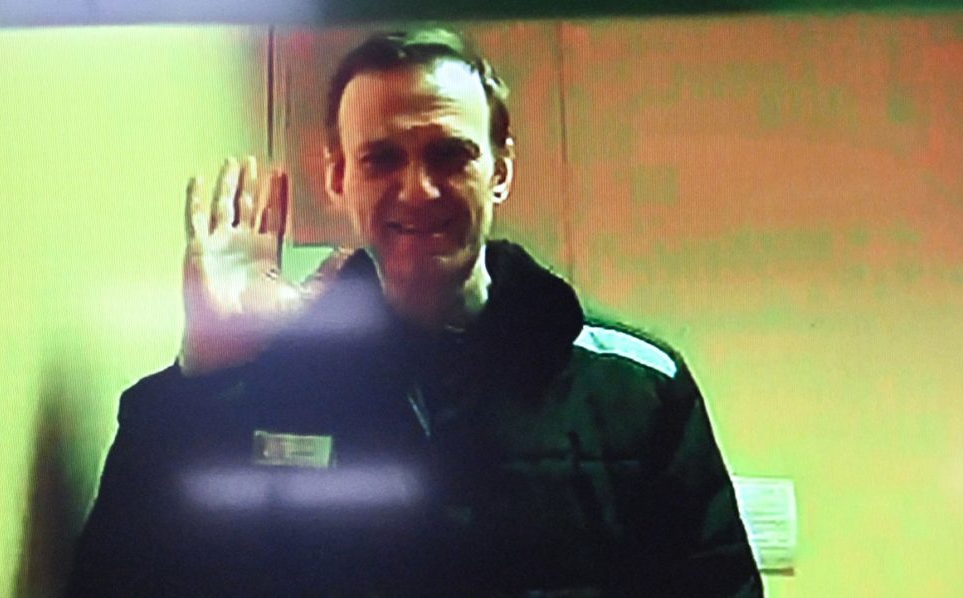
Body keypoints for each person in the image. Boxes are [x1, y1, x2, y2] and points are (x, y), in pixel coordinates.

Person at [67, 27, 763, 596]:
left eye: (450, 154)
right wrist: (203, 377)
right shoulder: (264, 381)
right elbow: (125, 581)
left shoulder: (639, 391)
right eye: (381, 159)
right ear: (337, 176)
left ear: (500, 170)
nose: (418, 190)